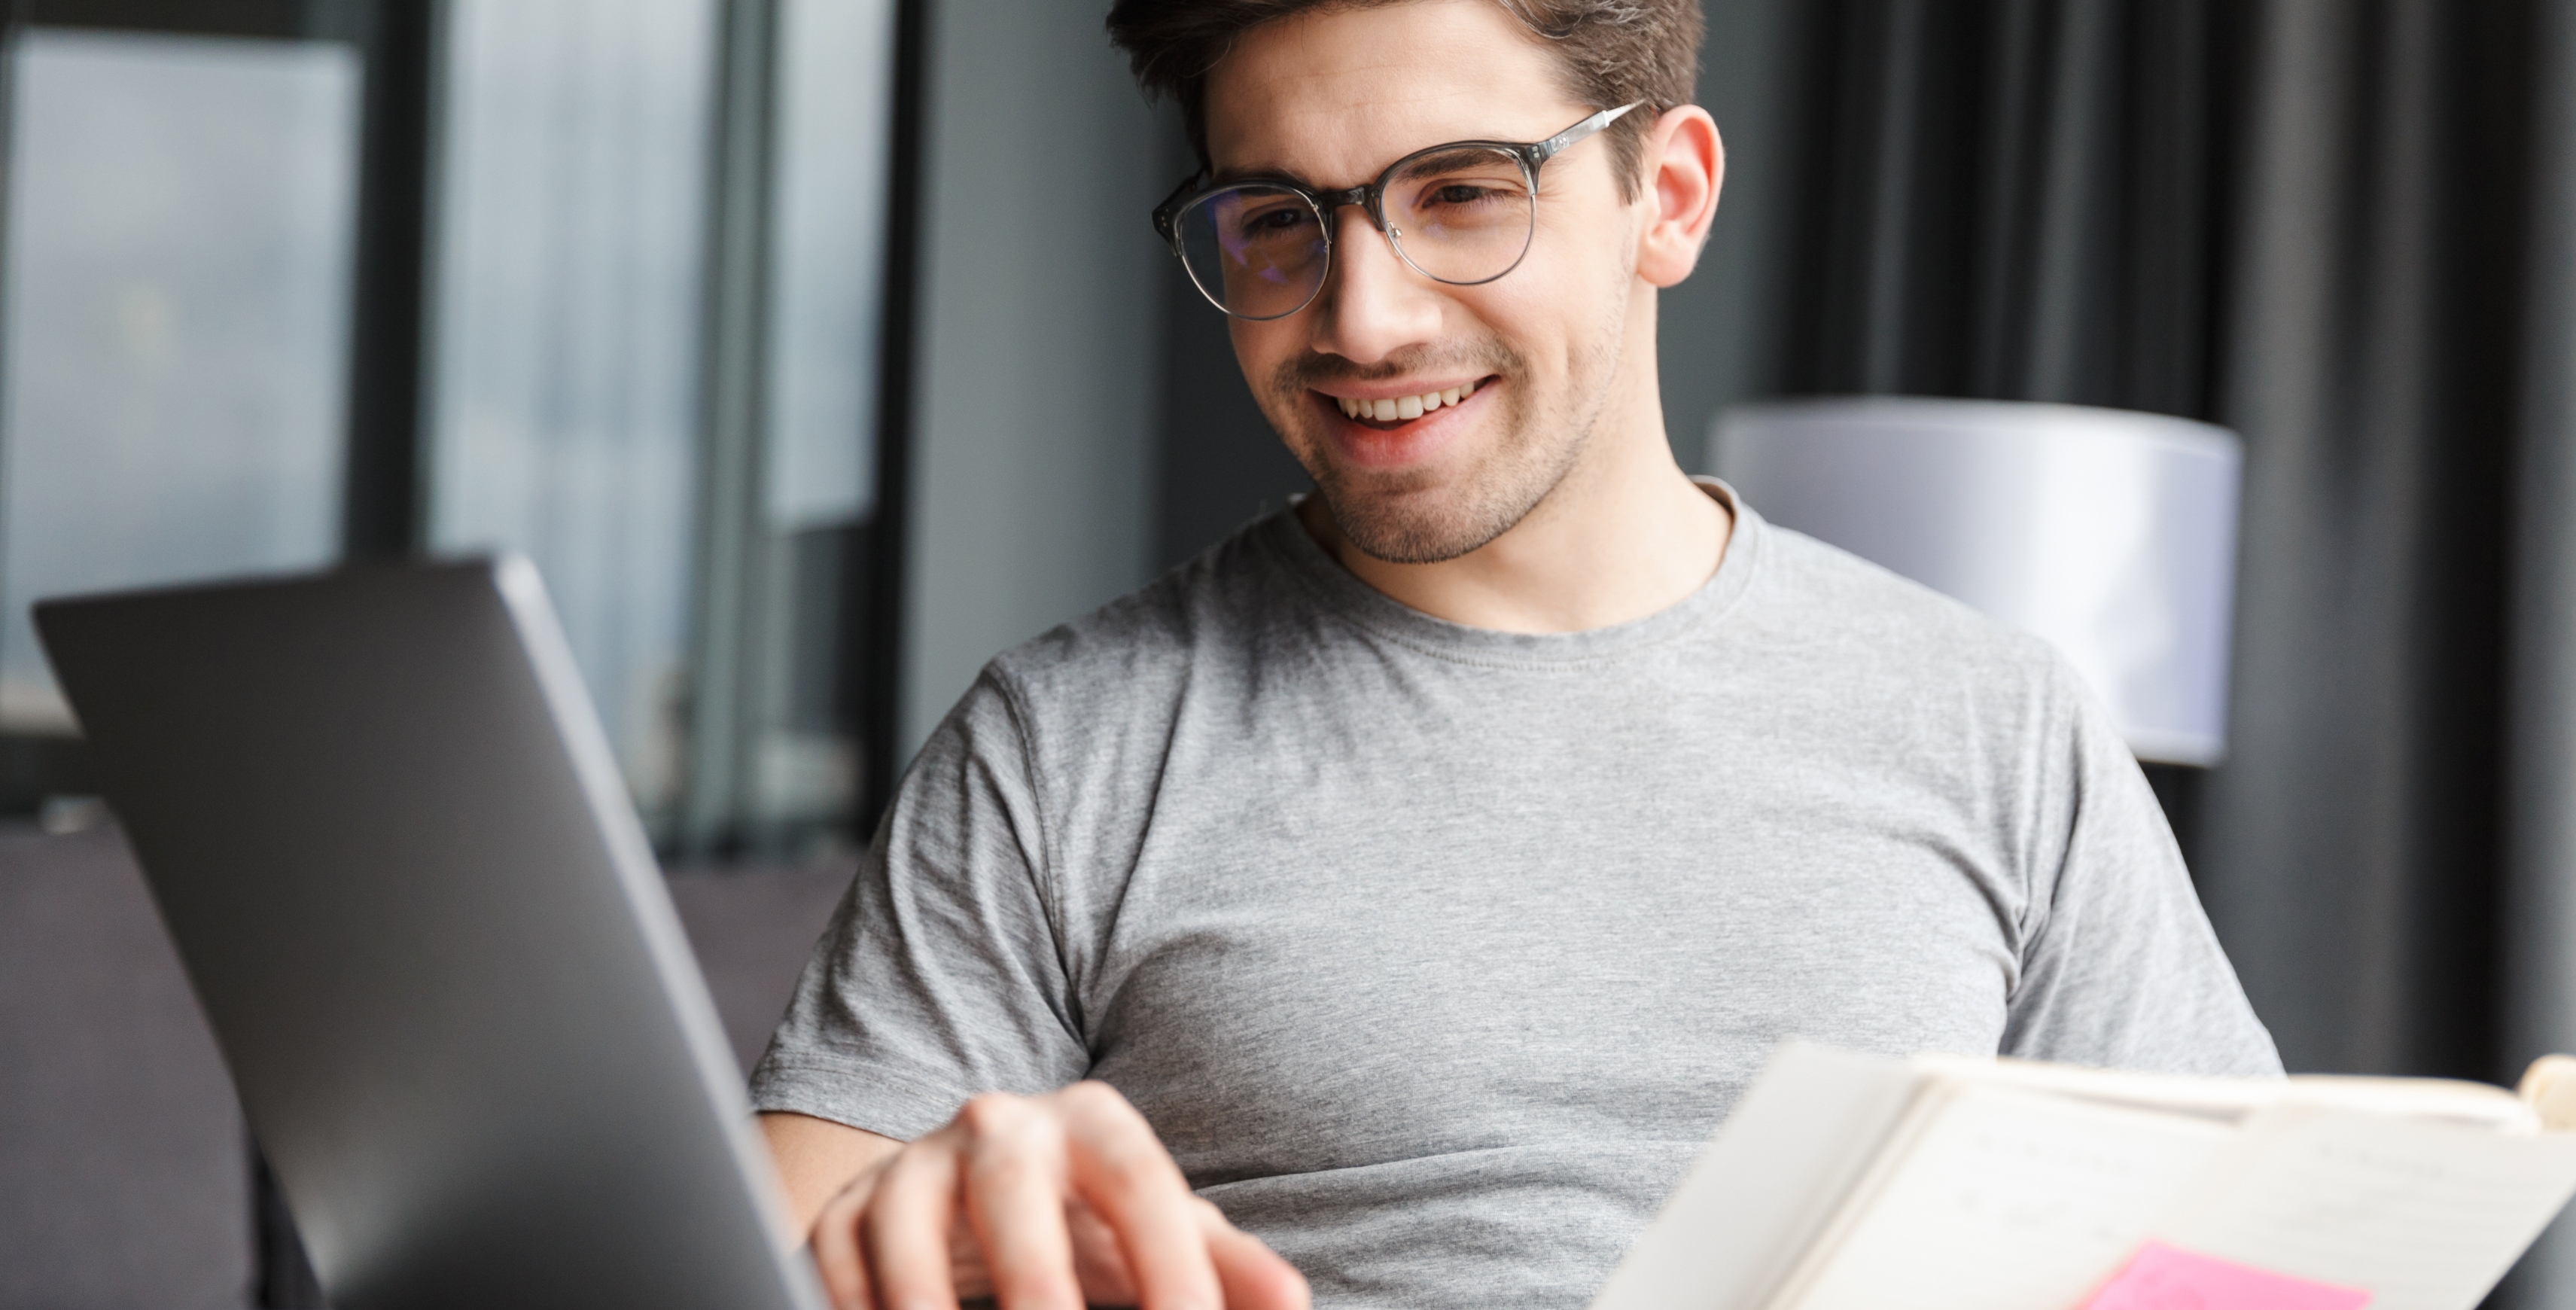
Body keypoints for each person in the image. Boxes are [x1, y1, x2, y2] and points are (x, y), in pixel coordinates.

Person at [751, 1, 2282, 1306]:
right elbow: (739, 1260)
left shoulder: (1995, 723)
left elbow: (2256, 1261)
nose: (1363, 317)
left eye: (1464, 194)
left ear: (1667, 198)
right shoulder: (1068, 742)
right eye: (1280, 220)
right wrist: (926, 1228)